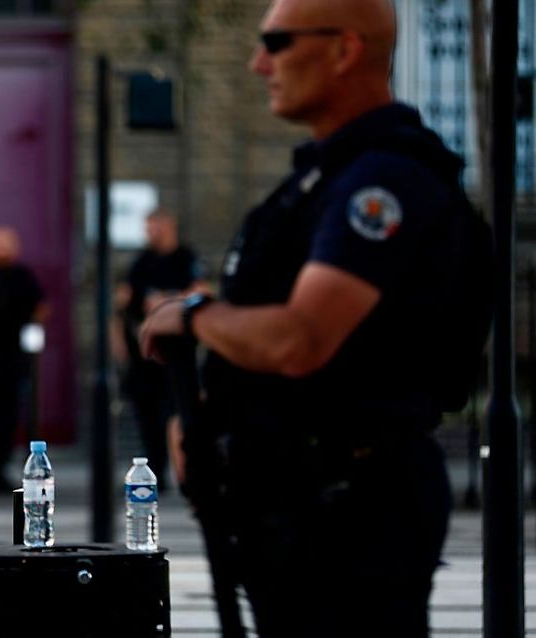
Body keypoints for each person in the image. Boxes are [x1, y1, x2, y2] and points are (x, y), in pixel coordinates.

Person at [140, 0, 490, 635]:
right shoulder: (321, 179)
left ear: (344, 48)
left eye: (276, 43)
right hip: (293, 509)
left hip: (352, 511)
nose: (258, 64)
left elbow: (300, 340)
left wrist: (192, 317)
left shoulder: (385, 181)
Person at [117, 208, 203, 485]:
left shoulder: (185, 259)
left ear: (169, 226)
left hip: (177, 351)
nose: (151, 233)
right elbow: (123, 304)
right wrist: (120, 343)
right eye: (148, 228)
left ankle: (188, 472)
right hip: (143, 354)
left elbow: (202, 293)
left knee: (179, 412)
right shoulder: (141, 262)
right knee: (147, 415)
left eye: (155, 227)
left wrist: (169, 301)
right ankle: (155, 473)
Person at [0, 226, 48, 492]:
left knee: (8, 417)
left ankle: (0, 468)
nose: (2, 250)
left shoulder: (23, 276)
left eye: (6, 244)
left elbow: (41, 307)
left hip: (13, 359)